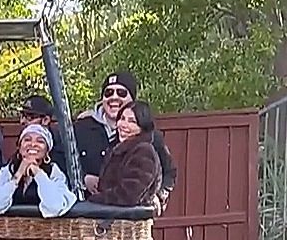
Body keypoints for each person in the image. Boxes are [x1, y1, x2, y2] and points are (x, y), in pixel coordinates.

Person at [74, 71, 177, 201]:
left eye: (121, 93)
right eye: (108, 92)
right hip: (86, 208)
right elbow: (62, 160)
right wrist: (83, 178)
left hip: (127, 210)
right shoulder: (81, 127)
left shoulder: (151, 138)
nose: (114, 97)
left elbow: (169, 173)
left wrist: (158, 199)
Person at [0, 123, 77, 217]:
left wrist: (38, 173)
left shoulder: (54, 172)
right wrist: (17, 175)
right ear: (19, 147)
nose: (33, 144)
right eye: (27, 140)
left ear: (47, 151)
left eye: (40, 141)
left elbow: (55, 207)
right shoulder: (8, 170)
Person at [89, 101, 162, 208]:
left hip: (130, 216)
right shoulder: (117, 148)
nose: (123, 125)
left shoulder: (144, 151)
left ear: (142, 127)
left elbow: (129, 195)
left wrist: (95, 199)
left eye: (132, 121)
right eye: (122, 119)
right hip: (113, 214)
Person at [19, 94, 68, 174]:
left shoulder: (59, 154)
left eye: (30, 117)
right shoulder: (20, 149)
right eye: (22, 116)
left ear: (45, 120)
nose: (22, 121)